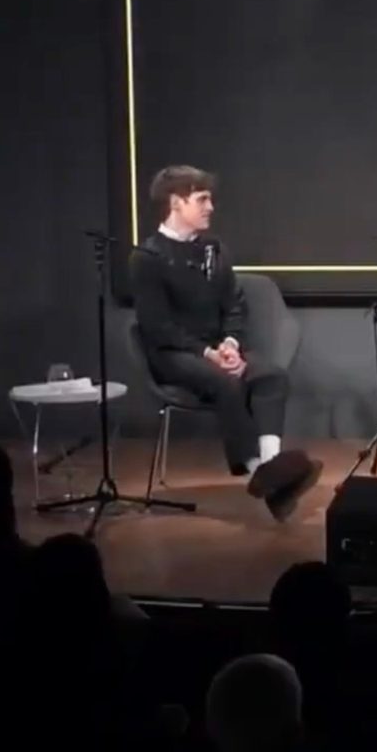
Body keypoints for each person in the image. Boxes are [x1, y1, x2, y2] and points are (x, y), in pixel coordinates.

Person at [130, 165, 321, 521]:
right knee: (226, 382)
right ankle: (257, 472)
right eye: (202, 199)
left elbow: (235, 304)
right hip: (174, 354)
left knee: (271, 376)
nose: (211, 207)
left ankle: (272, 468)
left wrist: (231, 343)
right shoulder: (147, 258)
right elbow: (157, 326)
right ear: (176, 202)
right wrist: (207, 354)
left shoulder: (215, 249)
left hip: (218, 348)